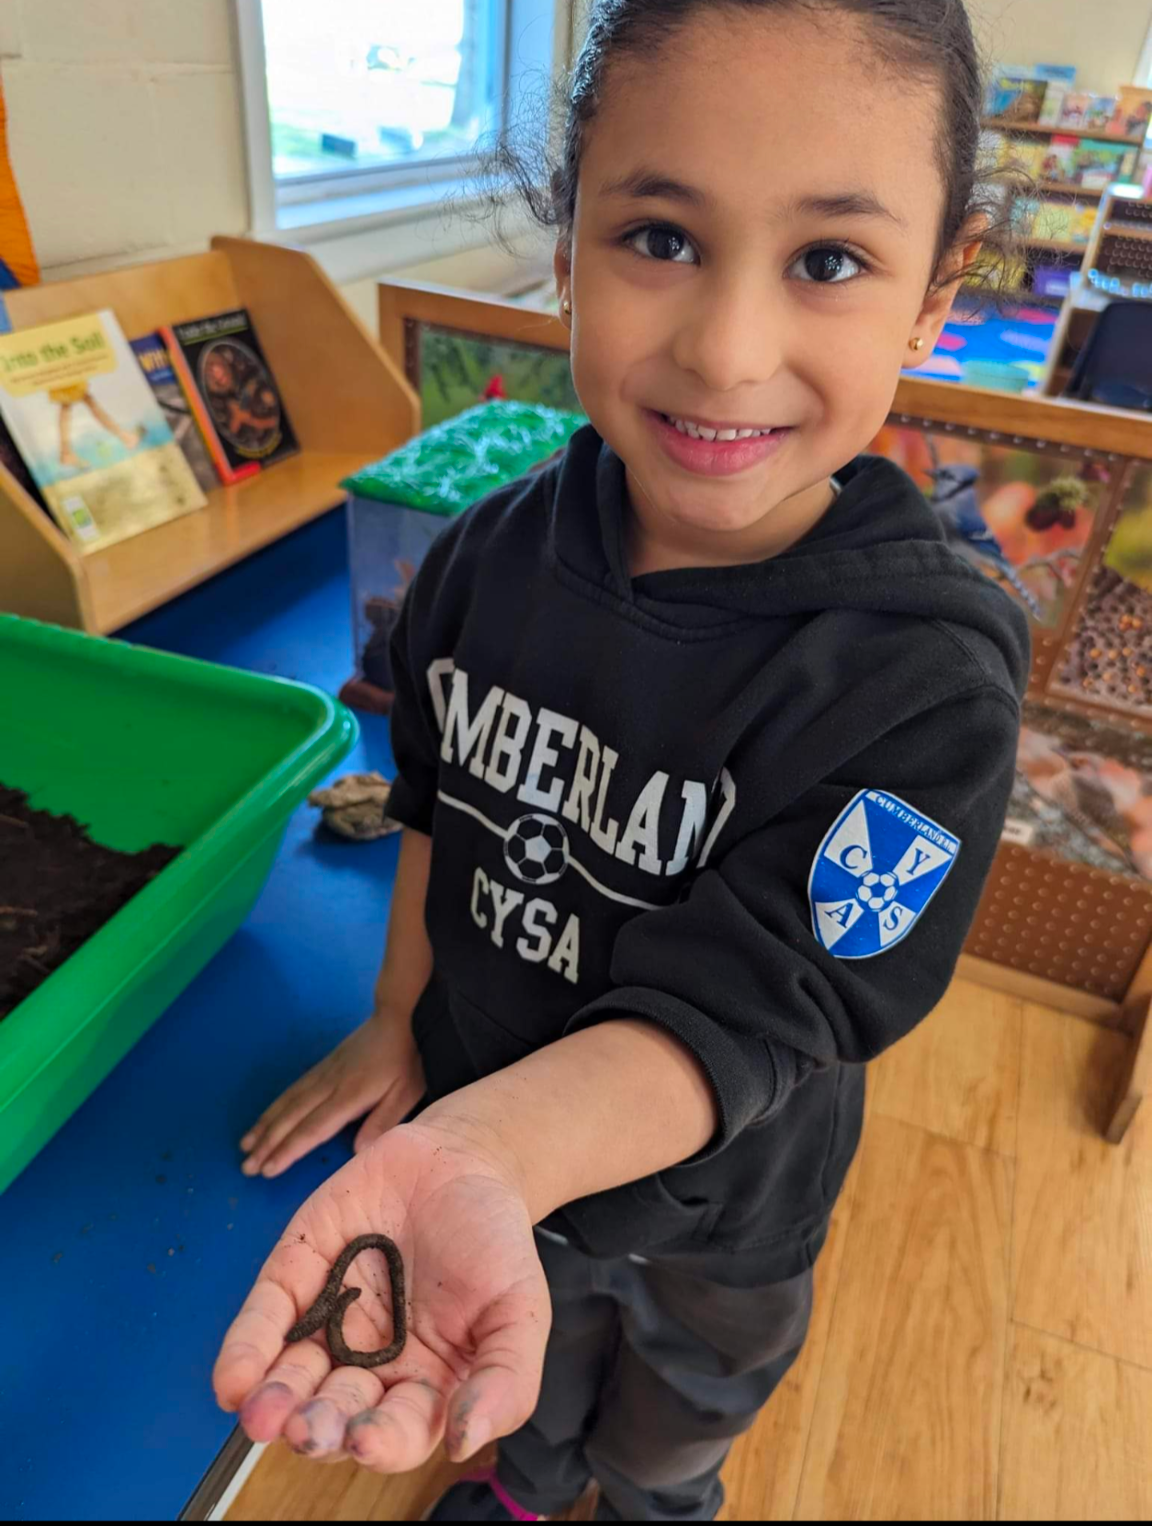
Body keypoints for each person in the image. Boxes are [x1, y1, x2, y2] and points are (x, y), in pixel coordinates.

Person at [214, 1, 1032, 1519]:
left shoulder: (928, 682)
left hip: (725, 1218)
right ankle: (528, 1489)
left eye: (830, 261)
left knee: (671, 1421)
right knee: (517, 1386)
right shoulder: (475, 566)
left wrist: (490, 1148)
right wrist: (405, 1024)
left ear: (936, 294)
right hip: (488, 1137)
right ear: (569, 225)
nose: (726, 351)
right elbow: (437, 812)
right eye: (658, 237)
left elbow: (762, 996)